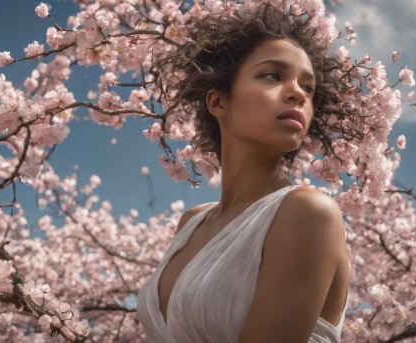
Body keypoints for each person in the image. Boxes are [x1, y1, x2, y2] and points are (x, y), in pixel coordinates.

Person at [138, 3, 357, 342]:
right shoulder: (191, 222)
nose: (298, 93)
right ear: (218, 102)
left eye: (309, 88)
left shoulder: (308, 213)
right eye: (273, 75)